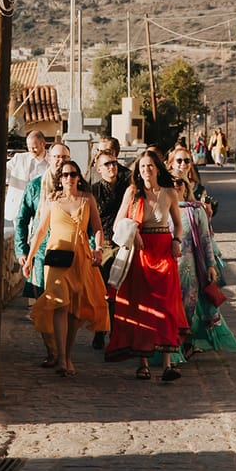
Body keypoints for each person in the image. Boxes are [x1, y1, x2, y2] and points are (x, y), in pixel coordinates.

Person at [105, 148, 189, 382]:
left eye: (150, 166)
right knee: (142, 305)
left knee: (165, 305)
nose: (146, 170)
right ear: (138, 170)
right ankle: (142, 364)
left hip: (164, 250)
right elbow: (118, 221)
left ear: (157, 168)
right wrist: (134, 231)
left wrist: (176, 240)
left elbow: (178, 224)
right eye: (142, 167)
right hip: (141, 251)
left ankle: (168, 364)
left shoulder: (170, 193)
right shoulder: (132, 192)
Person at [23, 160, 109, 378]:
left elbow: (97, 228)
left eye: (72, 174)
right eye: (64, 175)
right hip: (56, 259)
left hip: (81, 259)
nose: (69, 178)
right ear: (59, 179)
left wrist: (98, 247)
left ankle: (68, 356)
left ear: (79, 177)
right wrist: (29, 258)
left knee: (74, 311)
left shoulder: (87, 199)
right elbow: (40, 231)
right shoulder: (53, 201)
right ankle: (61, 358)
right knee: (60, 305)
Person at [14, 142, 70, 368]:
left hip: (66, 252)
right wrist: (22, 250)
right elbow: (22, 219)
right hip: (40, 255)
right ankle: (53, 350)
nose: (60, 161)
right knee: (45, 303)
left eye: (64, 157)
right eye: (56, 157)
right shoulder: (36, 187)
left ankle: (64, 352)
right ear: (49, 158)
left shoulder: (74, 189)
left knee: (65, 305)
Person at [172, 176, 236, 359]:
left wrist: (210, 265)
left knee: (188, 307)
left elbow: (205, 240)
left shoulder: (195, 210)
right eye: (170, 182)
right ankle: (172, 349)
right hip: (167, 267)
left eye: (179, 182)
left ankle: (185, 343)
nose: (175, 186)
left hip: (190, 268)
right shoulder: (161, 209)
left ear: (186, 187)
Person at [90, 148, 132, 349]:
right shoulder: (94, 191)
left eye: (114, 163)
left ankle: (117, 333)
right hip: (103, 245)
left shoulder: (127, 187)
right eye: (107, 164)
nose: (112, 167)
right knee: (103, 293)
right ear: (99, 169)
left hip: (124, 244)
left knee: (121, 292)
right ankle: (101, 330)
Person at [4, 130, 48, 223]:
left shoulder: (51, 161)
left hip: (42, 206)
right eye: (29, 148)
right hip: (20, 205)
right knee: (20, 235)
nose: (32, 150)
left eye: (35, 147)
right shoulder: (18, 158)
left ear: (43, 143)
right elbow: (3, 171)